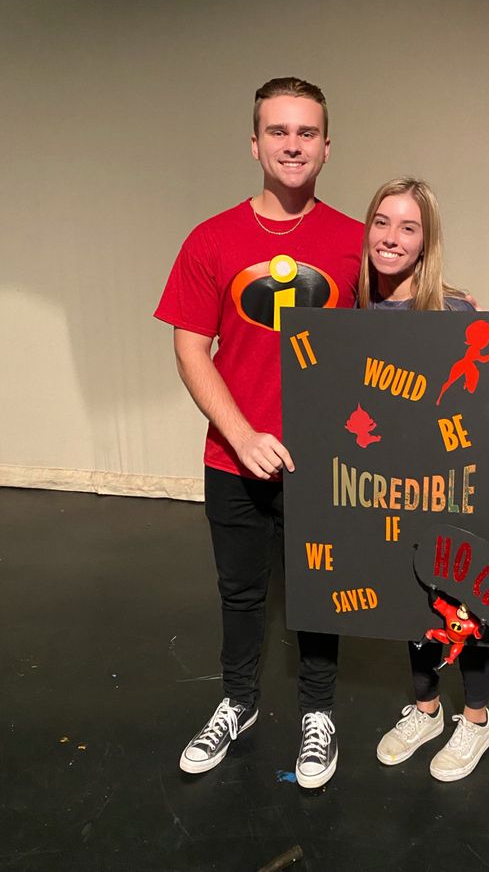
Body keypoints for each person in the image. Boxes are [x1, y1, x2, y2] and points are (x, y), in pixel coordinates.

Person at [154, 77, 363, 789]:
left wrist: (484, 374)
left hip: (322, 460)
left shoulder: (353, 243)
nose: (292, 144)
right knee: (240, 593)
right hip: (233, 456)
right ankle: (238, 703)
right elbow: (190, 348)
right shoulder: (210, 238)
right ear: (254, 143)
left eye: (306, 132)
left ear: (327, 148)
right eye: (278, 130)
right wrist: (241, 434)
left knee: (318, 592)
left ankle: (318, 714)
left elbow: (406, 339)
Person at [357, 177, 489, 782]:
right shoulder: (352, 316)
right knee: (415, 596)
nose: (392, 237)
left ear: (426, 241)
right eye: (382, 222)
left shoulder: (454, 311)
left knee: (466, 599)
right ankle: (427, 711)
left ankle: (475, 721)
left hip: (452, 482)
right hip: (391, 485)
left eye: (408, 227)